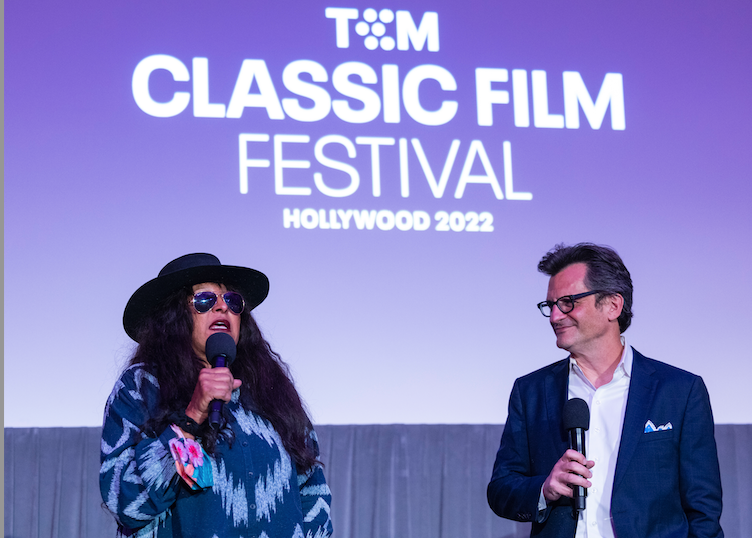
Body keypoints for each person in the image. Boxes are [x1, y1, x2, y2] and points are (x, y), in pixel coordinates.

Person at [487, 243, 723, 538]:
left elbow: (703, 510)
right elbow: (501, 489)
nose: (555, 317)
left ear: (613, 305)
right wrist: (544, 488)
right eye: (550, 305)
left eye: (568, 302)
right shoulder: (531, 391)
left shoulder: (679, 391)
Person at [100, 253, 333, 538]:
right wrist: (192, 417)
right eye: (205, 300)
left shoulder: (271, 392)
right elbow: (125, 501)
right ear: (174, 317)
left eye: (233, 302)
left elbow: (313, 491)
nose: (223, 307)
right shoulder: (140, 387)